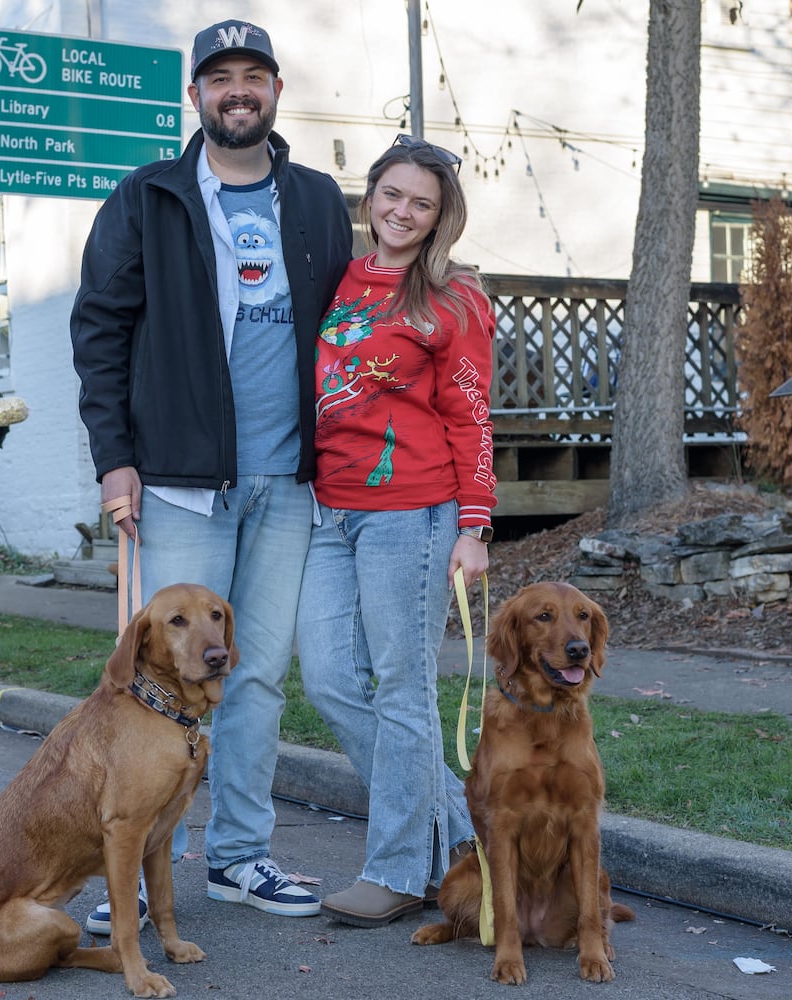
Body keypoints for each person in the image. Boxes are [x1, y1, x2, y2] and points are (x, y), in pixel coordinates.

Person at [70, 18, 353, 931]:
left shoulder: (316, 200)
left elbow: (349, 324)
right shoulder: (147, 196)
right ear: (194, 94)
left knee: (256, 678)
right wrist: (115, 459)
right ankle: (132, 875)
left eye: (253, 76)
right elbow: (100, 330)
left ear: (275, 91)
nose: (238, 91)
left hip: (289, 483)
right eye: (220, 77)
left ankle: (238, 857)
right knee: (162, 684)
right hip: (181, 484)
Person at [296, 135, 495, 927]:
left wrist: (475, 525)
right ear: (370, 194)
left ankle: (399, 870)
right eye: (392, 194)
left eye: (422, 203)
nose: (403, 212)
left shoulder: (453, 299)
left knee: (403, 688)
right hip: (330, 510)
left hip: (411, 513)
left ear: (441, 217)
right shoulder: (341, 280)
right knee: (328, 679)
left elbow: (471, 415)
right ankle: (461, 824)